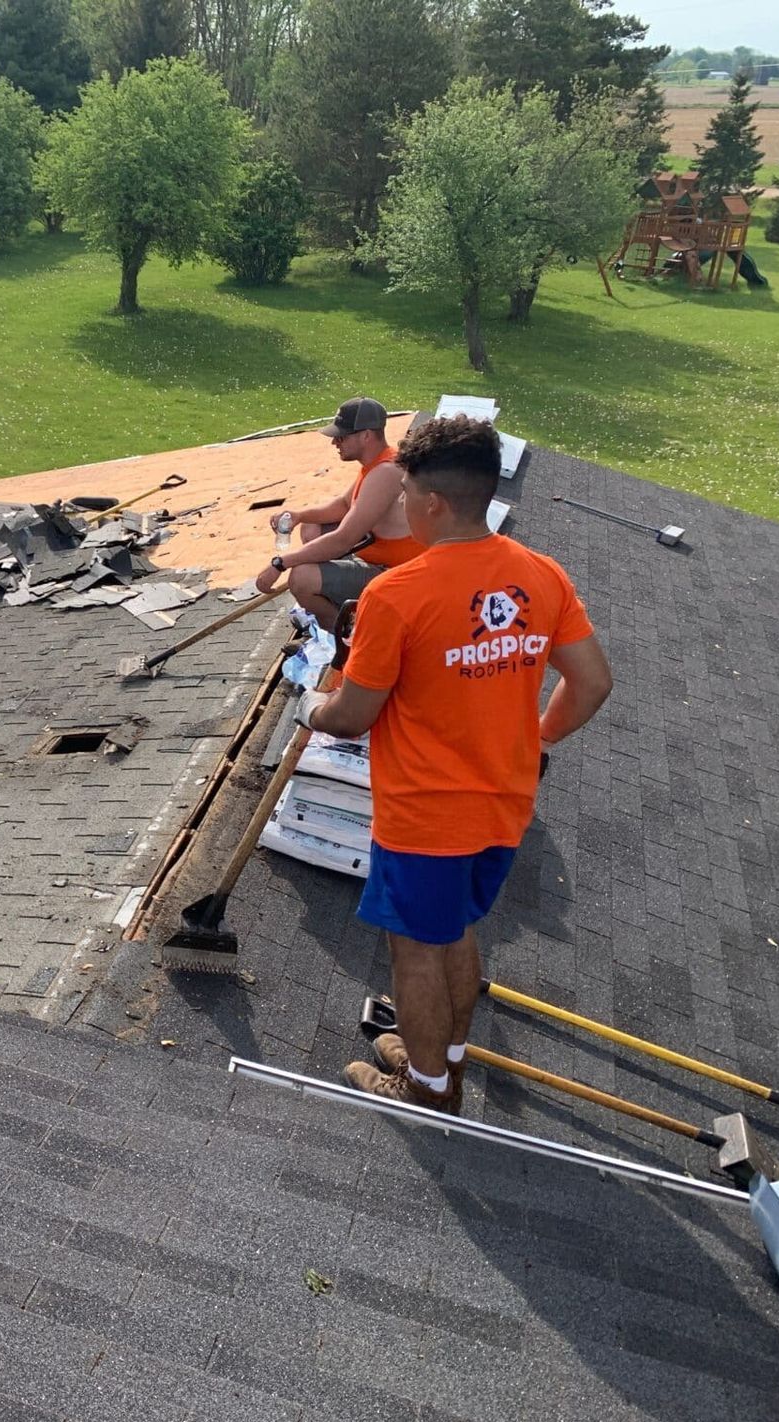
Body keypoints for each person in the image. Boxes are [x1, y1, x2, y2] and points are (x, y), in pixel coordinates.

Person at [297, 416, 612, 1113]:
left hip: (426, 816)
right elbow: (591, 682)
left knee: (413, 951)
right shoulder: (541, 575)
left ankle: (426, 1086)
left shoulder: (397, 595)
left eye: (407, 494)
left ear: (433, 502)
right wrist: (535, 742)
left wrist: (313, 713)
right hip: (503, 807)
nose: (403, 506)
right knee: (458, 934)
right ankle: (445, 1054)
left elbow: (354, 713)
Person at [254, 397, 426, 631]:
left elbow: (342, 539)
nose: (335, 441)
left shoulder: (386, 473)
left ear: (366, 435)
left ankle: (347, 633)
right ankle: (340, 601)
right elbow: (344, 505)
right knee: (311, 526)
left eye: (342, 436)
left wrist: (279, 564)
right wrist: (299, 515)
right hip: (375, 556)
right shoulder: (378, 463)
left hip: (397, 575)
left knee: (301, 578)